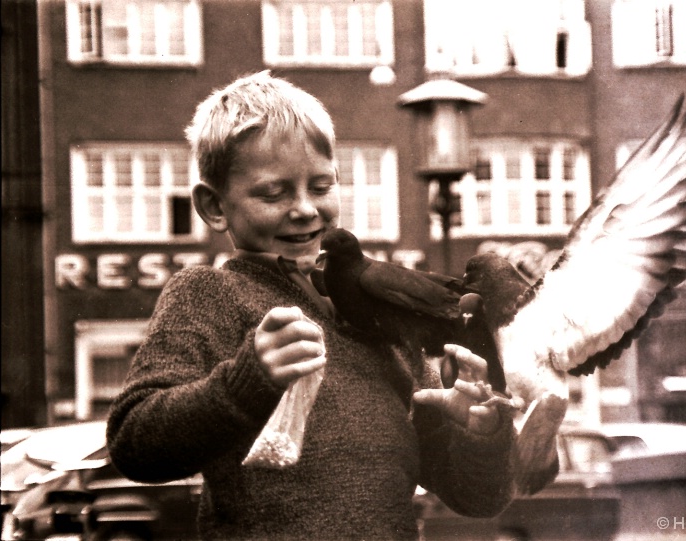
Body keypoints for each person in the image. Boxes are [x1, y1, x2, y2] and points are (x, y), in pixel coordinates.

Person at [106, 70, 516, 541]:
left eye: (320, 187)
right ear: (214, 207)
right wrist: (246, 382)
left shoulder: (377, 314)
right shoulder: (207, 294)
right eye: (273, 192)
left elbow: (478, 498)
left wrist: (480, 435)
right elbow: (132, 441)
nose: (305, 209)